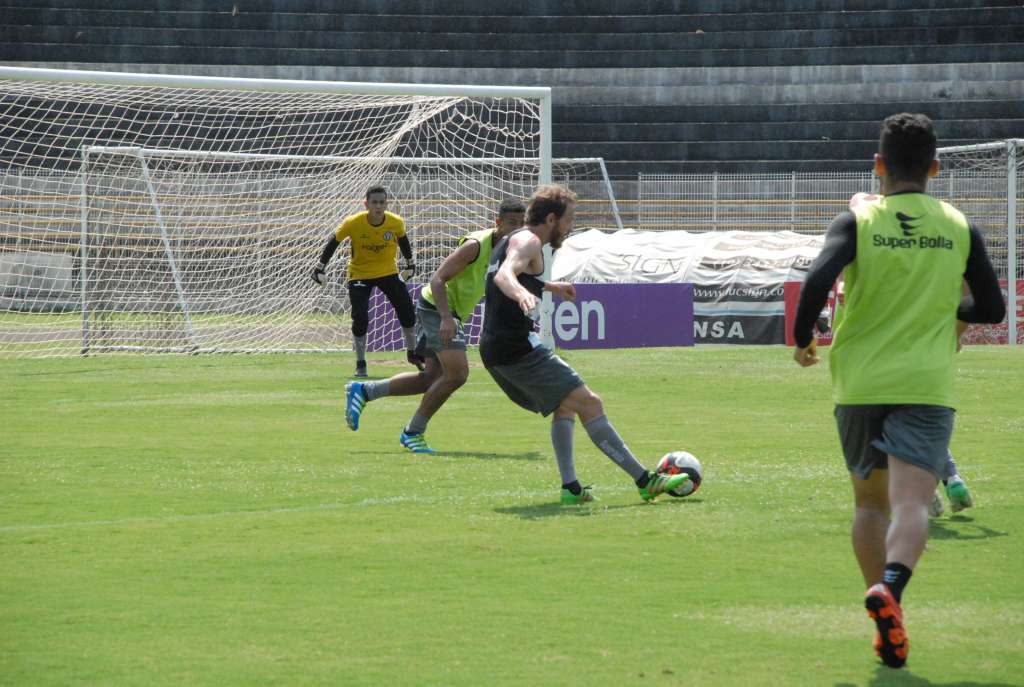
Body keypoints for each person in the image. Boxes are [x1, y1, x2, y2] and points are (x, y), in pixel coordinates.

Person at [792, 113, 1005, 669]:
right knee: (912, 503)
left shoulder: (858, 219)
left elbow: (817, 280)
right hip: (926, 384)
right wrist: (944, 312)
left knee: (869, 504)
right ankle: (892, 589)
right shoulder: (959, 226)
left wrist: (803, 337)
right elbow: (992, 308)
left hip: (860, 381)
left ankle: (883, 615)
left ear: (878, 165)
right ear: (936, 167)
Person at [480, 184, 693, 504]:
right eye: (569, 219)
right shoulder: (529, 240)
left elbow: (517, 274)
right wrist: (521, 293)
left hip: (500, 348)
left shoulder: (515, 239)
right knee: (589, 403)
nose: (570, 226)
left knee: (565, 406)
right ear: (552, 219)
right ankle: (644, 480)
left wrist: (548, 287)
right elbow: (505, 276)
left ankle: (571, 488)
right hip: (517, 349)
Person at [343, 198, 527, 453]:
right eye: (511, 223)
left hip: (450, 313)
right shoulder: (475, 245)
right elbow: (438, 278)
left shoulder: (509, 250)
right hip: (437, 309)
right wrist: (445, 318)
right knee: (458, 374)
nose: (516, 229)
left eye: (521, 224)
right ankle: (412, 432)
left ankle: (364, 391)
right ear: (498, 222)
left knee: (432, 378)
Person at [847, 194, 974, 519]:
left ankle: (925, 491)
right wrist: (955, 333)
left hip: (882, 349)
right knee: (921, 416)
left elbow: (857, 201)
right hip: (930, 348)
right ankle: (952, 478)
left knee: (887, 423)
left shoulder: (880, 239)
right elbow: (973, 295)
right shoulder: (941, 241)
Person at [311, 185, 424, 378]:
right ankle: (361, 363)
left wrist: (410, 263)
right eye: (374, 202)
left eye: (382, 202)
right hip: (359, 274)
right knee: (360, 317)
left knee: (406, 310)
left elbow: (403, 240)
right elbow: (334, 241)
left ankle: (413, 353)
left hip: (388, 272)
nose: (378, 206)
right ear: (366, 204)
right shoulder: (353, 223)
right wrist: (320, 267)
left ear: (386, 203)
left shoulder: (395, 222)